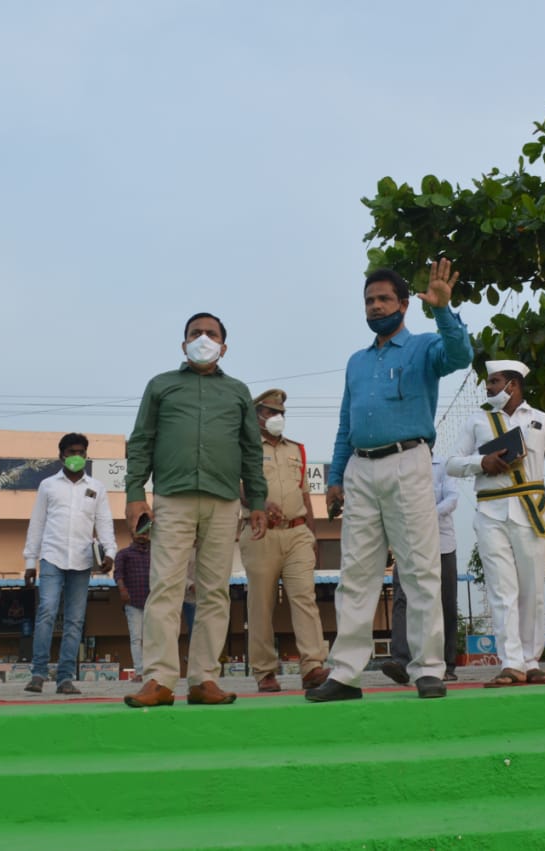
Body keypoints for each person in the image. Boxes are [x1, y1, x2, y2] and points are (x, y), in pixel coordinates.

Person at [309, 259, 471, 703]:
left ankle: (429, 669)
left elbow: (461, 356)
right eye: (369, 300)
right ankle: (345, 674)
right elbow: (345, 422)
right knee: (356, 575)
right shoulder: (356, 362)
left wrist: (443, 309)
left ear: (403, 304)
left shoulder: (424, 347)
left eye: (384, 299)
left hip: (408, 461)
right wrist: (337, 475)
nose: (376, 306)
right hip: (361, 468)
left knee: (419, 569)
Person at [123, 312, 268, 708]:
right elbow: (141, 441)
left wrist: (257, 500)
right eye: (195, 333)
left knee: (215, 592)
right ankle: (159, 678)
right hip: (172, 497)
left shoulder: (238, 391)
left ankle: (204, 679)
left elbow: (251, 450)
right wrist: (135, 493)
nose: (203, 338)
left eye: (211, 334)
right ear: (183, 343)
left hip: (224, 501)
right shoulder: (161, 386)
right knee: (165, 587)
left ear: (224, 346)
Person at [446, 359, 545, 687]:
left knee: (533, 590)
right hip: (490, 512)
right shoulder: (477, 421)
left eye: (494, 381)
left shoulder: (544, 422)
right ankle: (511, 663)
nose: (488, 387)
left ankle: (532, 662)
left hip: (532, 513)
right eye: (488, 382)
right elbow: (451, 463)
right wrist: (481, 462)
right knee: (501, 590)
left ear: (513, 385)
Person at [238, 388, 330, 693]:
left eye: (280, 414)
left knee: (305, 597)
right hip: (260, 532)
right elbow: (238, 487)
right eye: (269, 412)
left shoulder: (297, 450)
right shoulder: (244, 448)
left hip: (298, 532)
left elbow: (305, 494)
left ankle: (312, 666)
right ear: (255, 416)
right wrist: (259, 504)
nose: (276, 418)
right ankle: (264, 671)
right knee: (261, 604)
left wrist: (313, 536)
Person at [20, 432, 116, 695]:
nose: (77, 456)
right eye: (72, 451)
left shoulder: (96, 487)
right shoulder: (48, 485)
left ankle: (65, 678)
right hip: (52, 557)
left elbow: (104, 522)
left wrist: (110, 553)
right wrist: (30, 560)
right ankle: (38, 674)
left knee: (75, 620)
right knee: (47, 611)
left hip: (83, 561)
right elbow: (37, 523)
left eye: (81, 452)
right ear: (61, 455)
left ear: (86, 455)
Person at [382, 458, 460, 685]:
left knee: (445, 602)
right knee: (401, 600)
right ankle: (401, 661)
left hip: (441, 544)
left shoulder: (444, 466)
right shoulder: (397, 466)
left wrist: (424, 517)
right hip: (407, 544)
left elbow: (452, 499)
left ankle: (446, 663)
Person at [114, 521, 151, 682]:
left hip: (152, 601)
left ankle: (152, 672)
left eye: (145, 533)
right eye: (139, 533)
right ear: (132, 534)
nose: (142, 536)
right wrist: (122, 590)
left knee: (152, 639)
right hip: (133, 601)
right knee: (136, 638)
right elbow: (118, 574)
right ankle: (140, 672)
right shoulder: (123, 554)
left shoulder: (155, 553)